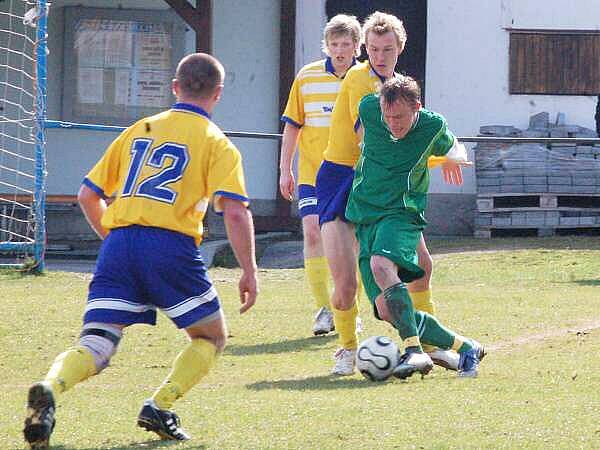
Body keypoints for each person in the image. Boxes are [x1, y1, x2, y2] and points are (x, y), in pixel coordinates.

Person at [23, 53, 259, 448]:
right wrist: (249, 269)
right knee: (211, 337)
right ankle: (160, 406)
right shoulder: (217, 143)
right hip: (171, 246)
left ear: (174, 87)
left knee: (97, 342)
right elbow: (235, 212)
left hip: (119, 244)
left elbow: (87, 195)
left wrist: (115, 243)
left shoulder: (138, 129)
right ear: (218, 94)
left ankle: (50, 387)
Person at [316, 11, 462, 375]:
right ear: (365, 48)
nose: (380, 56)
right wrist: (426, 159)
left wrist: (448, 153)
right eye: (375, 49)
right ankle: (348, 348)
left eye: (388, 49)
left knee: (422, 266)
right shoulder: (356, 80)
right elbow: (373, 142)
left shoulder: (401, 87)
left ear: (401, 49)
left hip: (385, 186)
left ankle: (426, 345)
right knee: (346, 282)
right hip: (343, 180)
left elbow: (423, 132)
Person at [346, 75, 485, 379]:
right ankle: (466, 348)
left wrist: (452, 159)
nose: (392, 123)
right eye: (387, 115)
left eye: (399, 117)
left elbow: (455, 146)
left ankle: (414, 351)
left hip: (401, 213)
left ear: (417, 108)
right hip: (365, 216)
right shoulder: (369, 108)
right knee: (386, 309)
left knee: (382, 266)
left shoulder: (431, 125)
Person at [280, 14, 361, 336]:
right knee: (312, 232)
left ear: (357, 46)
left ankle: (347, 305)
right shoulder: (307, 77)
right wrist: (285, 168)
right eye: (333, 44)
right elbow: (292, 125)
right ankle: (324, 309)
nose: (339, 51)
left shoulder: (365, 78)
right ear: (325, 46)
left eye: (345, 44)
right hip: (312, 173)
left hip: (351, 174)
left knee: (348, 242)